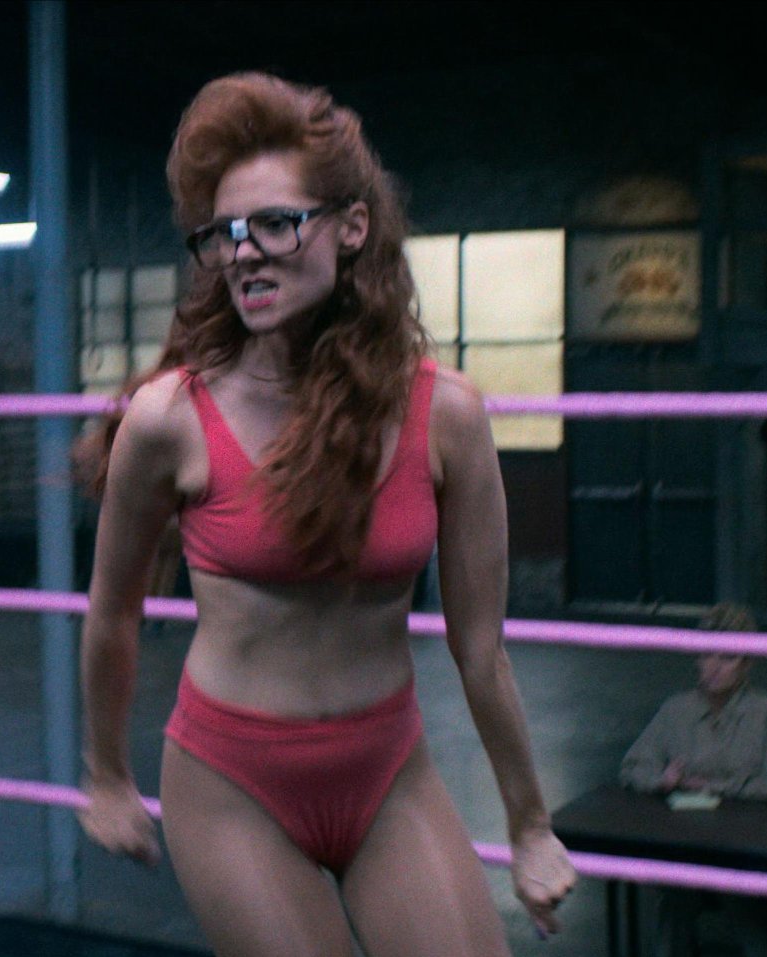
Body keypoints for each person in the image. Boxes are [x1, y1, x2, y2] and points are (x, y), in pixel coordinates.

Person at [71, 72, 574, 957]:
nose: (244, 253)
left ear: (352, 227)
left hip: (388, 770)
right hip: (232, 782)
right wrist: (107, 775)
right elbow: (113, 612)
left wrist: (530, 825)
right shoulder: (169, 418)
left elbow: (481, 648)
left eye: (275, 223)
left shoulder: (447, 415)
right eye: (225, 233)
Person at [618, 603, 767, 957]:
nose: (713, 667)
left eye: (727, 658)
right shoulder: (676, 709)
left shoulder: (766, 711)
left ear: (747, 663)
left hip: (744, 845)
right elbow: (632, 767)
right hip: (688, 843)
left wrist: (718, 787)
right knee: (675, 896)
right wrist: (661, 780)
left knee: (743, 902)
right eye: (706, 655)